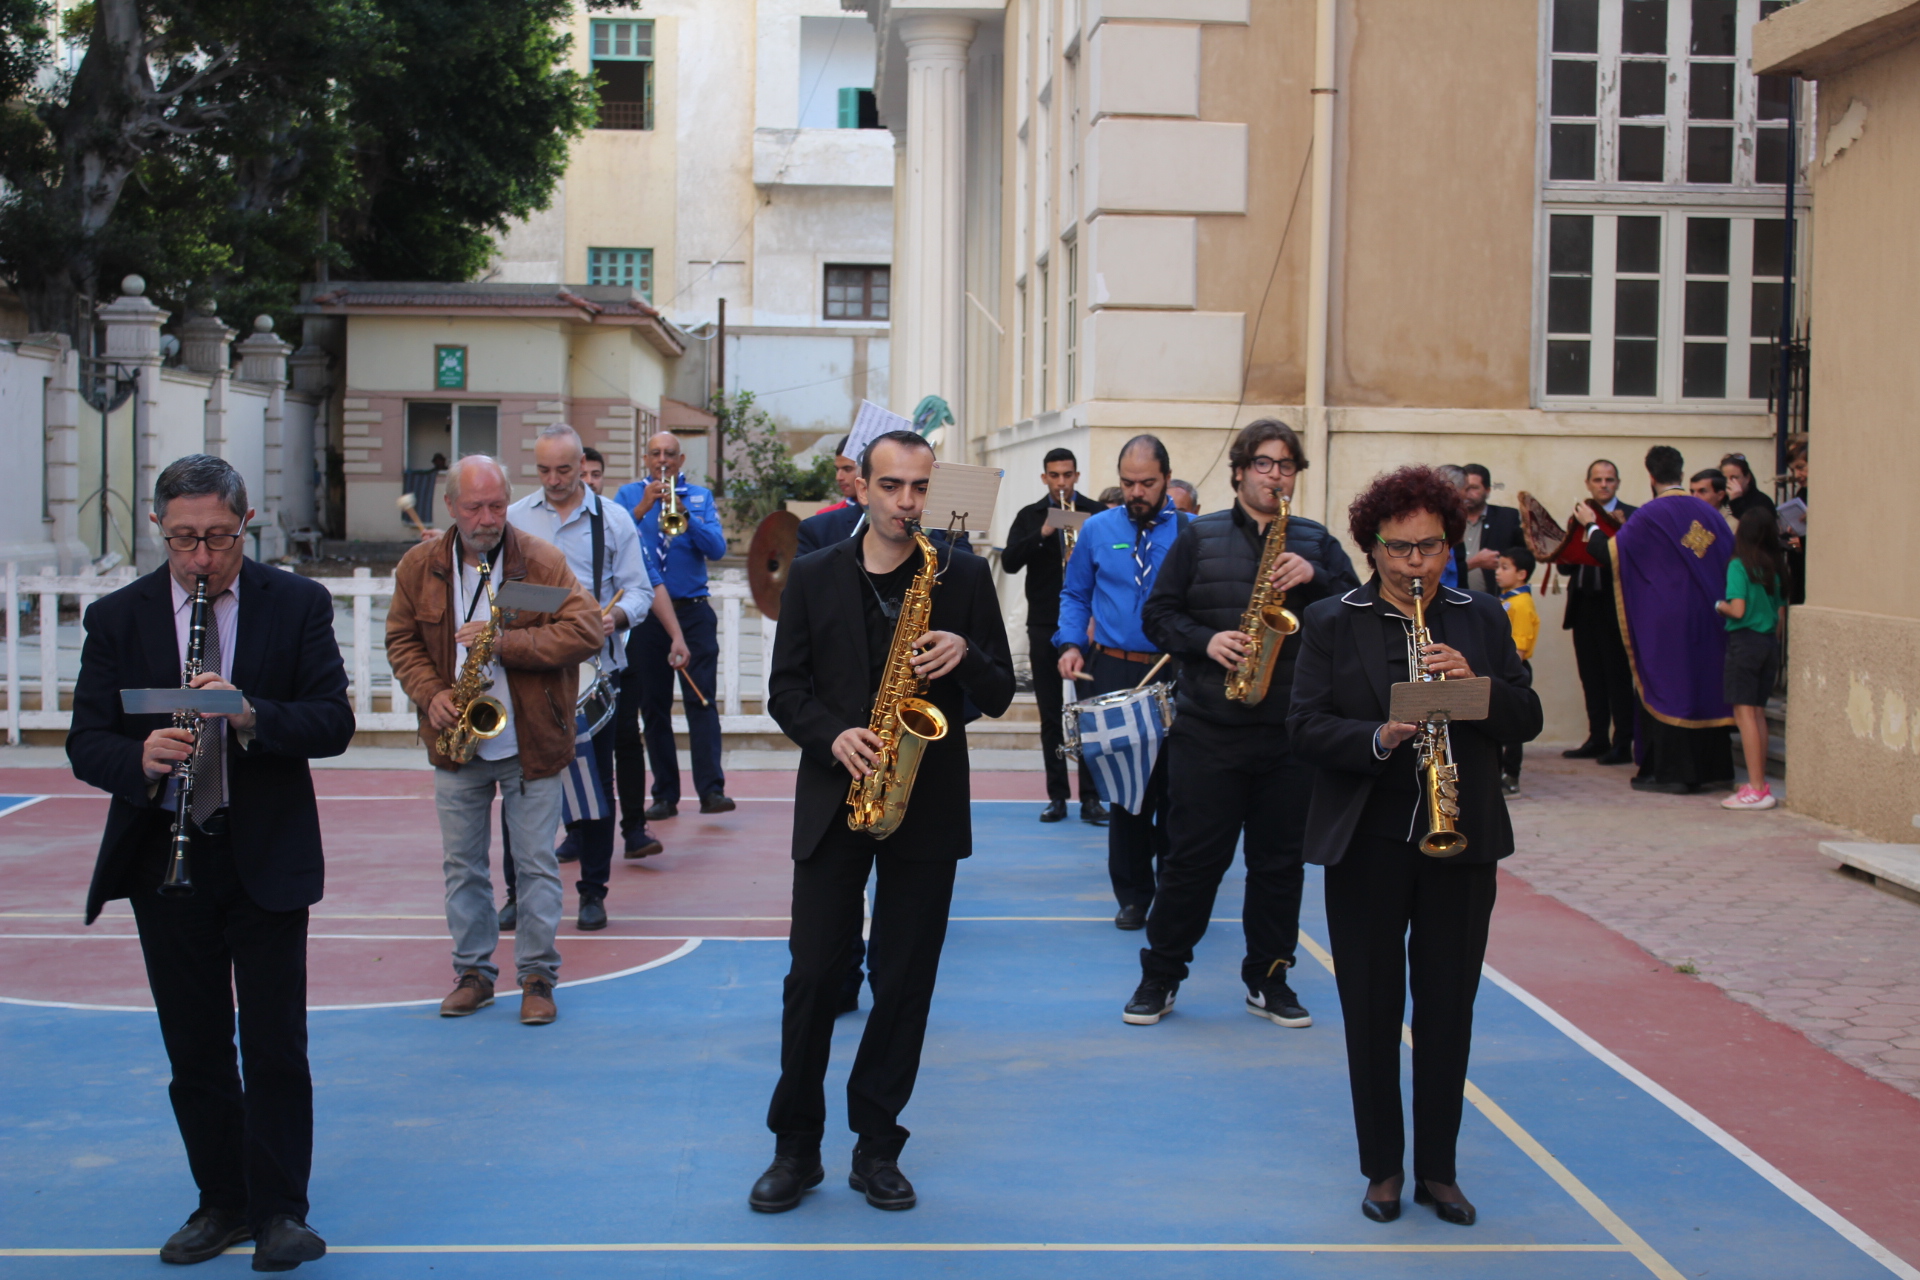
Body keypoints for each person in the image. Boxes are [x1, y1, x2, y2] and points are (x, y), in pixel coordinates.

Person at [67, 454, 353, 1270]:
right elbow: (87, 740)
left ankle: (281, 1211)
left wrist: (251, 715)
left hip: (263, 851)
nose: (202, 558)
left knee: (274, 1045)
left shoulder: (295, 603)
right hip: (166, 857)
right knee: (194, 1047)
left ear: (245, 524)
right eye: (185, 538)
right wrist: (138, 758)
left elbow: (331, 721)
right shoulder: (116, 618)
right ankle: (221, 1201)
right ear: (158, 526)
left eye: (220, 538)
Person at [749, 429, 1013, 1214]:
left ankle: (877, 1145)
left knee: (904, 982)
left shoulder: (961, 574)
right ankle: (796, 1147)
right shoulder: (815, 573)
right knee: (812, 976)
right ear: (861, 487)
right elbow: (785, 691)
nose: (907, 502)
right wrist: (833, 735)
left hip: (925, 803)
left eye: (920, 487)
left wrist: (966, 652)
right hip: (838, 795)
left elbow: (1000, 692)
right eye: (892, 486)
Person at [1288, 465, 1542, 1229]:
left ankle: (1440, 1169)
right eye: (1398, 549)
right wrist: (1377, 735)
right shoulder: (1332, 620)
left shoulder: (1480, 617)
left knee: (1448, 1007)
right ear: (1371, 546)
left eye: (1430, 547)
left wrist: (1476, 686)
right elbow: (1304, 727)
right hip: (1368, 838)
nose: (1415, 563)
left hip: (1460, 838)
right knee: (1370, 1008)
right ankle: (1384, 1168)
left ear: (1450, 545)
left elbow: (1526, 717)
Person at [1125, 419, 1357, 1027]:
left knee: (1279, 867)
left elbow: (1356, 613)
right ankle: (1160, 975)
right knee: (1191, 862)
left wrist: (1318, 579)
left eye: (1286, 465)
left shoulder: (1316, 542)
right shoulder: (1198, 537)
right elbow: (1158, 616)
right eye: (1264, 463)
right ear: (1239, 472)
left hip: (1290, 736)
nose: (1276, 475)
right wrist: (1206, 641)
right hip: (1209, 730)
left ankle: (1270, 979)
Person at [386, 455, 603, 1024]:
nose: (487, 519)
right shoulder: (420, 567)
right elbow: (402, 640)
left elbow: (584, 629)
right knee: (463, 867)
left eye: (497, 506)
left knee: (536, 866)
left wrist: (504, 642)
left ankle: (537, 977)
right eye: (474, 507)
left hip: (531, 741)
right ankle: (474, 974)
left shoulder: (540, 565)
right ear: (449, 507)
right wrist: (429, 692)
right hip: (457, 740)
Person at [503, 425, 683, 931]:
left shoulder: (614, 519)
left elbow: (639, 591)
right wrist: (567, 609)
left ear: (581, 465)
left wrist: (614, 617)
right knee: (520, 782)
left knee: (593, 786)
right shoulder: (515, 518)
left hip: (595, 670)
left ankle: (593, 892)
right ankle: (517, 893)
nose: (553, 480)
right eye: (543, 470)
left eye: (563, 470)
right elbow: (501, 594)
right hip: (530, 668)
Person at [1055, 435, 1189, 929]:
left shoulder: (1193, 533)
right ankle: (1133, 895)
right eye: (1128, 482)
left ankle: (1174, 892)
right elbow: (1075, 594)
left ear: (1166, 480)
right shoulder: (1096, 529)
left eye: (1147, 483)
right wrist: (1070, 644)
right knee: (1128, 791)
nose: (1136, 492)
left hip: (1176, 672)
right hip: (1114, 670)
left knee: (1178, 792)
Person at [616, 432, 736, 819]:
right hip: (647, 615)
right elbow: (612, 541)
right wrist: (641, 508)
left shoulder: (699, 497)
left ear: (681, 460)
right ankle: (665, 795)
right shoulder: (627, 496)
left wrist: (685, 516)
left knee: (701, 701)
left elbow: (717, 549)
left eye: (670, 454)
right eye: (656, 454)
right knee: (653, 706)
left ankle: (711, 791)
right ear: (646, 458)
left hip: (693, 611)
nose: (663, 460)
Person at [1615, 446, 1736, 795]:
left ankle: (1672, 774)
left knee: (1669, 688)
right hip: (1711, 615)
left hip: (1667, 622)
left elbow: (1615, 552)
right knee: (1704, 685)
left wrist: (1590, 527)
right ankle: (1715, 770)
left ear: (1651, 476)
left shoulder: (1649, 514)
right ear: (1682, 473)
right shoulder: (1710, 514)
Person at [1000, 448, 1107, 824]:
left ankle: (1091, 798)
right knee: (1049, 714)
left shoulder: (1095, 513)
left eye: (1067, 475)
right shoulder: (1030, 515)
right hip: (1045, 623)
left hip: (1088, 625)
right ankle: (1057, 796)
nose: (1061, 482)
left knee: (1090, 712)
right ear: (1044, 478)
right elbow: (1009, 562)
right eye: (1054, 475)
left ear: (1076, 475)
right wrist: (1044, 532)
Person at [1561, 460, 1638, 763]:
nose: (1604, 485)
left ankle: (1623, 742)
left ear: (1617, 483)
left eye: (1609, 479)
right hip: (1583, 605)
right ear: (1588, 483)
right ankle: (1597, 738)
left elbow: (1625, 558)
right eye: (1598, 480)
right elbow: (1566, 567)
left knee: (1617, 676)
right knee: (1590, 675)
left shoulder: (1631, 516)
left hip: (1613, 605)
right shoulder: (1578, 516)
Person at [1716, 508, 1786, 811]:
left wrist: (1719, 605)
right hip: (1768, 643)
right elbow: (1780, 615)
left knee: (1744, 715)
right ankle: (1760, 785)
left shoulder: (1738, 566)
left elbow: (1738, 609)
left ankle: (1756, 787)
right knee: (1758, 713)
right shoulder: (1776, 568)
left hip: (1745, 642)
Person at [1495, 546, 1539, 796]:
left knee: (1512, 724)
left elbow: (1519, 647)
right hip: (1503, 668)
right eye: (1498, 567)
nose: (1498, 572)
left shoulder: (1521, 604)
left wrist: (1508, 674)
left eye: (1505, 568)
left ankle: (1511, 775)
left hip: (1513, 669)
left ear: (1521, 574)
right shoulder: (1507, 599)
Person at [1450, 465, 1521, 595]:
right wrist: (1474, 563)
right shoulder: (1449, 520)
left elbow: (1524, 559)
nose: (1468, 493)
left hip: (1495, 599)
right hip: (1455, 597)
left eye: (1474, 488)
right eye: (1465, 488)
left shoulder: (1507, 518)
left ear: (1487, 490)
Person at [1721, 452, 1776, 522]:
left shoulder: (1762, 502)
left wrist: (1736, 501)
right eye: (1724, 478)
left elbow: (1749, 526)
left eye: (1734, 478)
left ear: (1747, 478)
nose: (1728, 482)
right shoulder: (1721, 499)